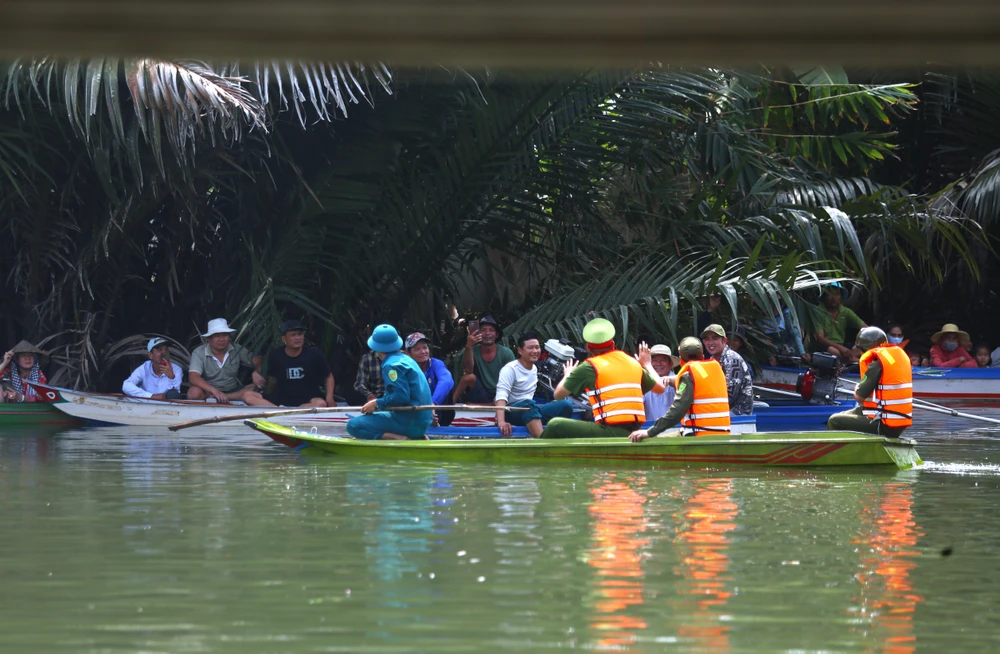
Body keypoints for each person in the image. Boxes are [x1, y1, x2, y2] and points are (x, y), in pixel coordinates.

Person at [541, 318, 663, 438]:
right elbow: (660, 388)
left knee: (555, 424)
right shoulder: (632, 362)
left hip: (611, 431)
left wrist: (568, 374)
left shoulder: (589, 367)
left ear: (588, 348)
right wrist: (647, 365)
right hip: (636, 430)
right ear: (613, 344)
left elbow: (558, 395)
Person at [629, 336, 731, 441]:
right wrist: (670, 380)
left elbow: (677, 411)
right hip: (722, 432)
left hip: (700, 434)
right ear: (702, 356)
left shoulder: (688, 376)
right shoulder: (716, 370)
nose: (658, 363)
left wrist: (650, 432)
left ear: (680, 360)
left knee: (655, 441)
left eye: (662, 360)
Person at [347, 324, 433, 440]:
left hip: (410, 423)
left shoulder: (391, 366)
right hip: (421, 422)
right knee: (374, 416)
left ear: (376, 348)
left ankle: (395, 437)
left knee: (353, 425)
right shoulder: (406, 359)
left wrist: (377, 403)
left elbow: (401, 397)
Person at [827, 326, 911, 437]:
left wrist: (857, 388)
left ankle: (840, 453)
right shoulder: (894, 358)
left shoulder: (877, 364)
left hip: (884, 424)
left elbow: (859, 397)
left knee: (834, 420)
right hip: (895, 420)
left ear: (866, 348)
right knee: (844, 414)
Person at [494, 332, 575, 438]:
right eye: (530, 348)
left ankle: (559, 439)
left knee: (566, 405)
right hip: (511, 412)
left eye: (537, 347)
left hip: (530, 410)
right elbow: (501, 395)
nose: (535, 351)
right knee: (528, 404)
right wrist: (501, 421)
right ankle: (543, 443)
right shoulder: (510, 369)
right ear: (520, 351)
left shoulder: (535, 369)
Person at [187, 318, 269, 405]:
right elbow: (193, 377)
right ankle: (218, 397)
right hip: (208, 391)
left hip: (233, 391)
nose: (222, 339)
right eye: (217, 336)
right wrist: (214, 391)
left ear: (229, 337)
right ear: (209, 338)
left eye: (225, 335)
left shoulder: (237, 349)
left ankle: (222, 398)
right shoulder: (199, 352)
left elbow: (258, 360)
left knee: (259, 387)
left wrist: (256, 371)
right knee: (193, 392)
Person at [262, 320, 335, 407]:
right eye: (293, 335)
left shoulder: (314, 354)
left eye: (300, 334)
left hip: (308, 400)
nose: (298, 338)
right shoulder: (276, 355)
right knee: (247, 395)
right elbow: (273, 379)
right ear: (284, 339)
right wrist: (269, 394)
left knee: (321, 403)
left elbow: (329, 376)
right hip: (282, 398)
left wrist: (329, 397)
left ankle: (292, 410)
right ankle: (278, 409)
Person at [451, 316, 515, 404]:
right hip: (481, 393)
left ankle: (478, 406)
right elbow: (468, 370)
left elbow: (512, 380)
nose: (487, 333)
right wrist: (469, 346)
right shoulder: (473, 350)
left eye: (491, 330)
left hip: (501, 394)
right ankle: (449, 406)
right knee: (468, 377)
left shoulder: (506, 353)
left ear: (496, 335)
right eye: (483, 330)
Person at [700, 324, 754, 415]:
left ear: (724, 341)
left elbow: (730, 396)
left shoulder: (733, 359)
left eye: (715, 338)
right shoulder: (711, 360)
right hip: (720, 409)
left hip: (738, 412)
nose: (710, 343)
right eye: (707, 339)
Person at [405, 331, 455, 426]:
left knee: (446, 387)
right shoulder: (405, 369)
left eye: (425, 347)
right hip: (415, 413)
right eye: (417, 349)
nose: (423, 352)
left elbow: (446, 380)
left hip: (439, 412)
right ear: (408, 353)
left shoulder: (436, 363)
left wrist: (432, 405)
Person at [813, 284, 867, 363]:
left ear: (841, 297)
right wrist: (840, 348)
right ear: (824, 297)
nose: (834, 297)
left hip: (842, 348)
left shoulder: (845, 311)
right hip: (824, 349)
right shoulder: (817, 312)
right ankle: (860, 362)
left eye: (837, 294)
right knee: (832, 350)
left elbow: (865, 328)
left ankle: (849, 359)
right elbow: (820, 338)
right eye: (830, 294)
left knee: (862, 347)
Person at [636, 342, 678, 422]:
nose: (658, 364)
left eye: (663, 360)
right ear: (649, 362)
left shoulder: (679, 380)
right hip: (649, 428)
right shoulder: (644, 381)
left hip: (675, 429)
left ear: (670, 364)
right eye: (654, 360)